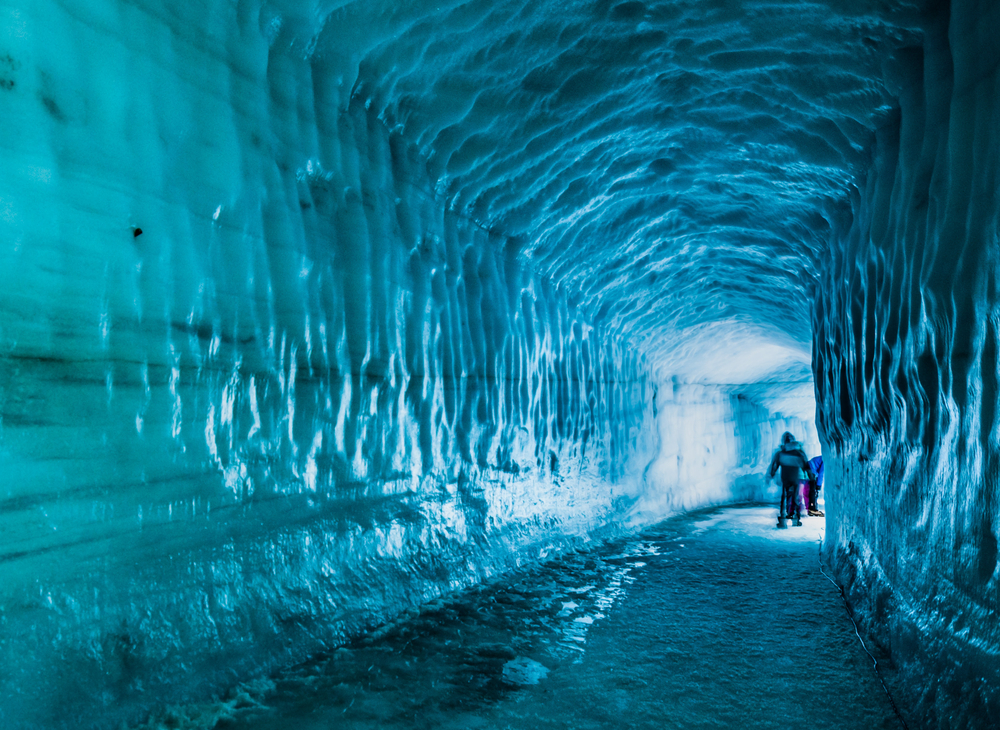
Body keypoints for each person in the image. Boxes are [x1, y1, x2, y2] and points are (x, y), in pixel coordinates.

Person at [767, 432, 814, 528]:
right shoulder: (798, 453)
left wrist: (770, 475)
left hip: (785, 478)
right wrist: (810, 476)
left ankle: (783, 519)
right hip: (795, 478)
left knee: (784, 498)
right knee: (796, 497)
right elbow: (805, 465)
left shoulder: (780, 453)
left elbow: (774, 465)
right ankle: (796, 518)